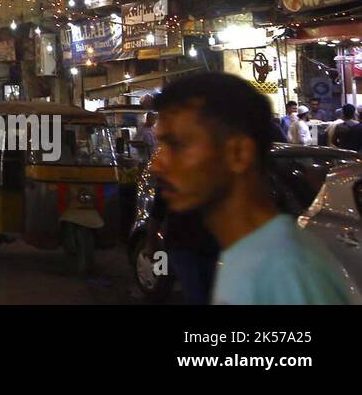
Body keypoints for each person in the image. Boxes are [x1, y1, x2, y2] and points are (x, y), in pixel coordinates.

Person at [151, 72, 359, 304]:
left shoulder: (283, 269)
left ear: (239, 153)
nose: (157, 165)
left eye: (177, 145)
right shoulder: (246, 255)